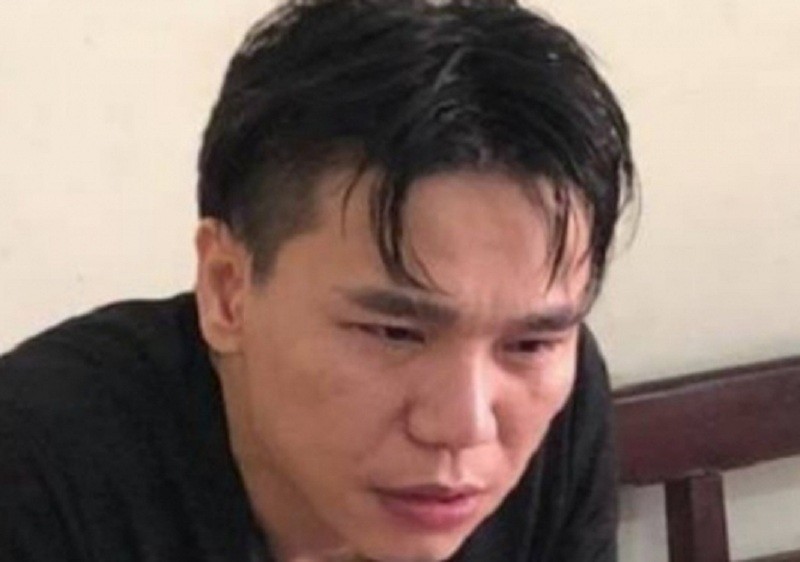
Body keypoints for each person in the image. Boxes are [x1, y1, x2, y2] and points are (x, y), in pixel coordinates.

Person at [0, 0, 635, 560]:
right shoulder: (38, 468)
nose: (464, 427)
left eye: (531, 342)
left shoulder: (565, 408)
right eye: (394, 332)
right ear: (227, 290)